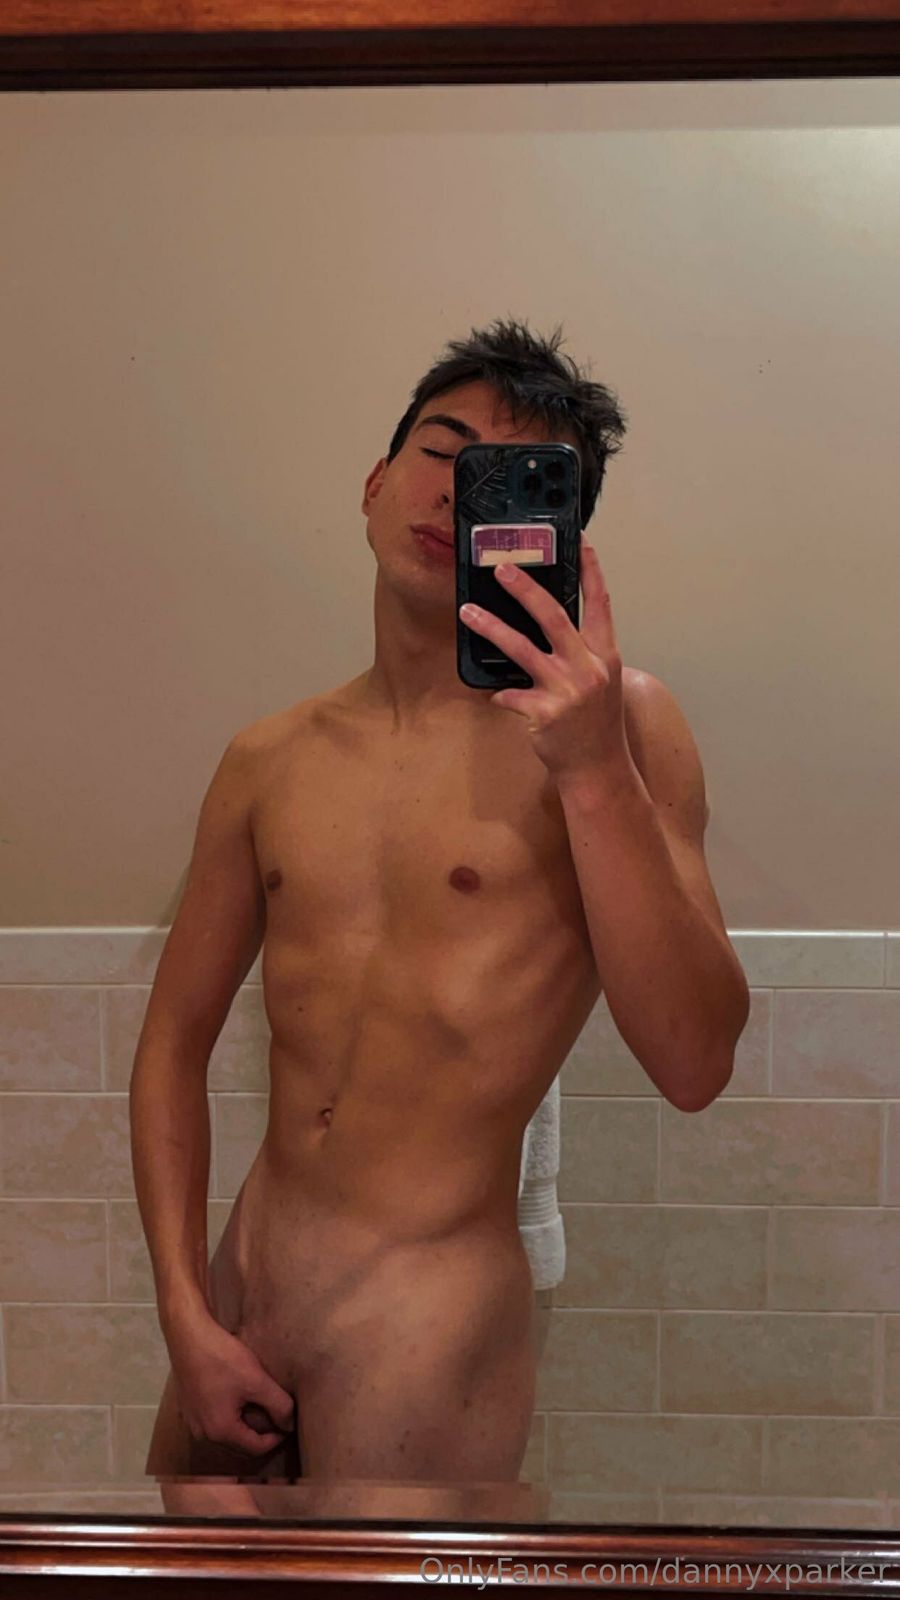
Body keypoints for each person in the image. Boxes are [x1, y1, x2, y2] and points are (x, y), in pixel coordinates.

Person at [131, 319, 750, 1512]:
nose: (456, 492)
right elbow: (171, 1042)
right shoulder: (267, 757)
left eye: (507, 476)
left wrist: (590, 770)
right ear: (374, 483)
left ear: (555, 534)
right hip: (238, 1291)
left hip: (425, 1315)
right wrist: (181, 1311)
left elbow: (696, 1060)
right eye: (441, 448)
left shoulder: (622, 726)